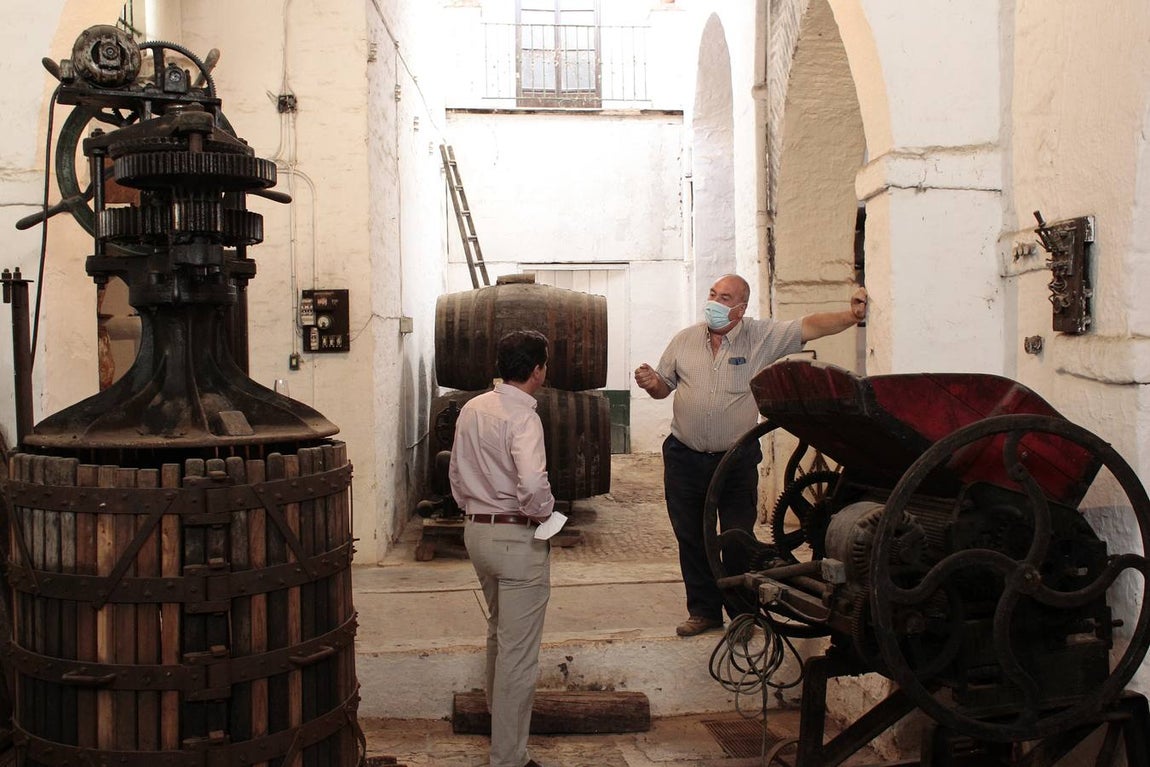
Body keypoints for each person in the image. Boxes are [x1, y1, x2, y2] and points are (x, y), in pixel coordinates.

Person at [634, 274, 867, 637]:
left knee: (737, 537)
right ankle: (704, 612)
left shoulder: (760, 337)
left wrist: (851, 316)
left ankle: (743, 615)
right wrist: (653, 384)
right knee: (693, 537)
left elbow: (809, 326)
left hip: (736, 460)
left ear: (740, 309)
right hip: (685, 457)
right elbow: (665, 388)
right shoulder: (684, 340)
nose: (713, 301)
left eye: (724, 297)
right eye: (712, 293)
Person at [449, 329, 555, 767]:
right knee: (519, 653)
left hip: (477, 533)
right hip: (516, 538)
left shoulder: (472, 407)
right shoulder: (524, 418)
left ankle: (499, 715)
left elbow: (456, 474)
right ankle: (508, 757)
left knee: (498, 630)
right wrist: (545, 514)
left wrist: (475, 506)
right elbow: (532, 485)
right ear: (536, 370)